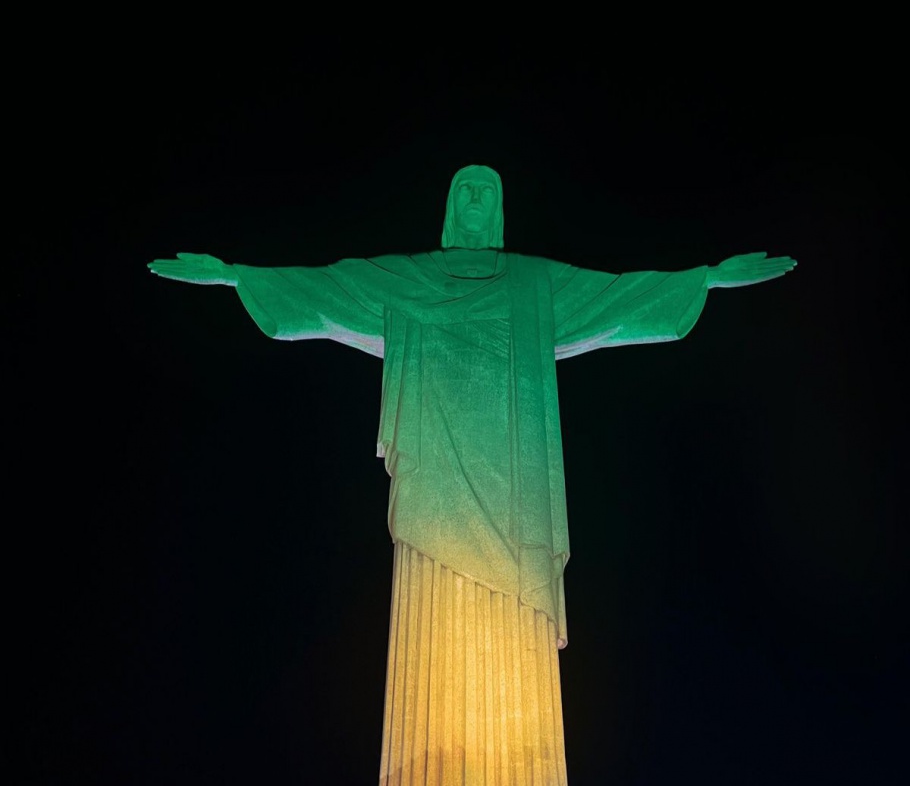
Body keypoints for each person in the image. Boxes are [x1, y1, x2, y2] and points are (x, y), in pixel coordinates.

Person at [149, 164, 795, 785]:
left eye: (491, 192)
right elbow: (326, 292)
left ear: (502, 211)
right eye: (469, 191)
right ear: (452, 209)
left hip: (516, 516)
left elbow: (618, 295)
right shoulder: (410, 281)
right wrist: (237, 277)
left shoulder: (532, 286)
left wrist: (703, 280)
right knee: (434, 659)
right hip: (436, 508)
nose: (480, 202)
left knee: (514, 687)